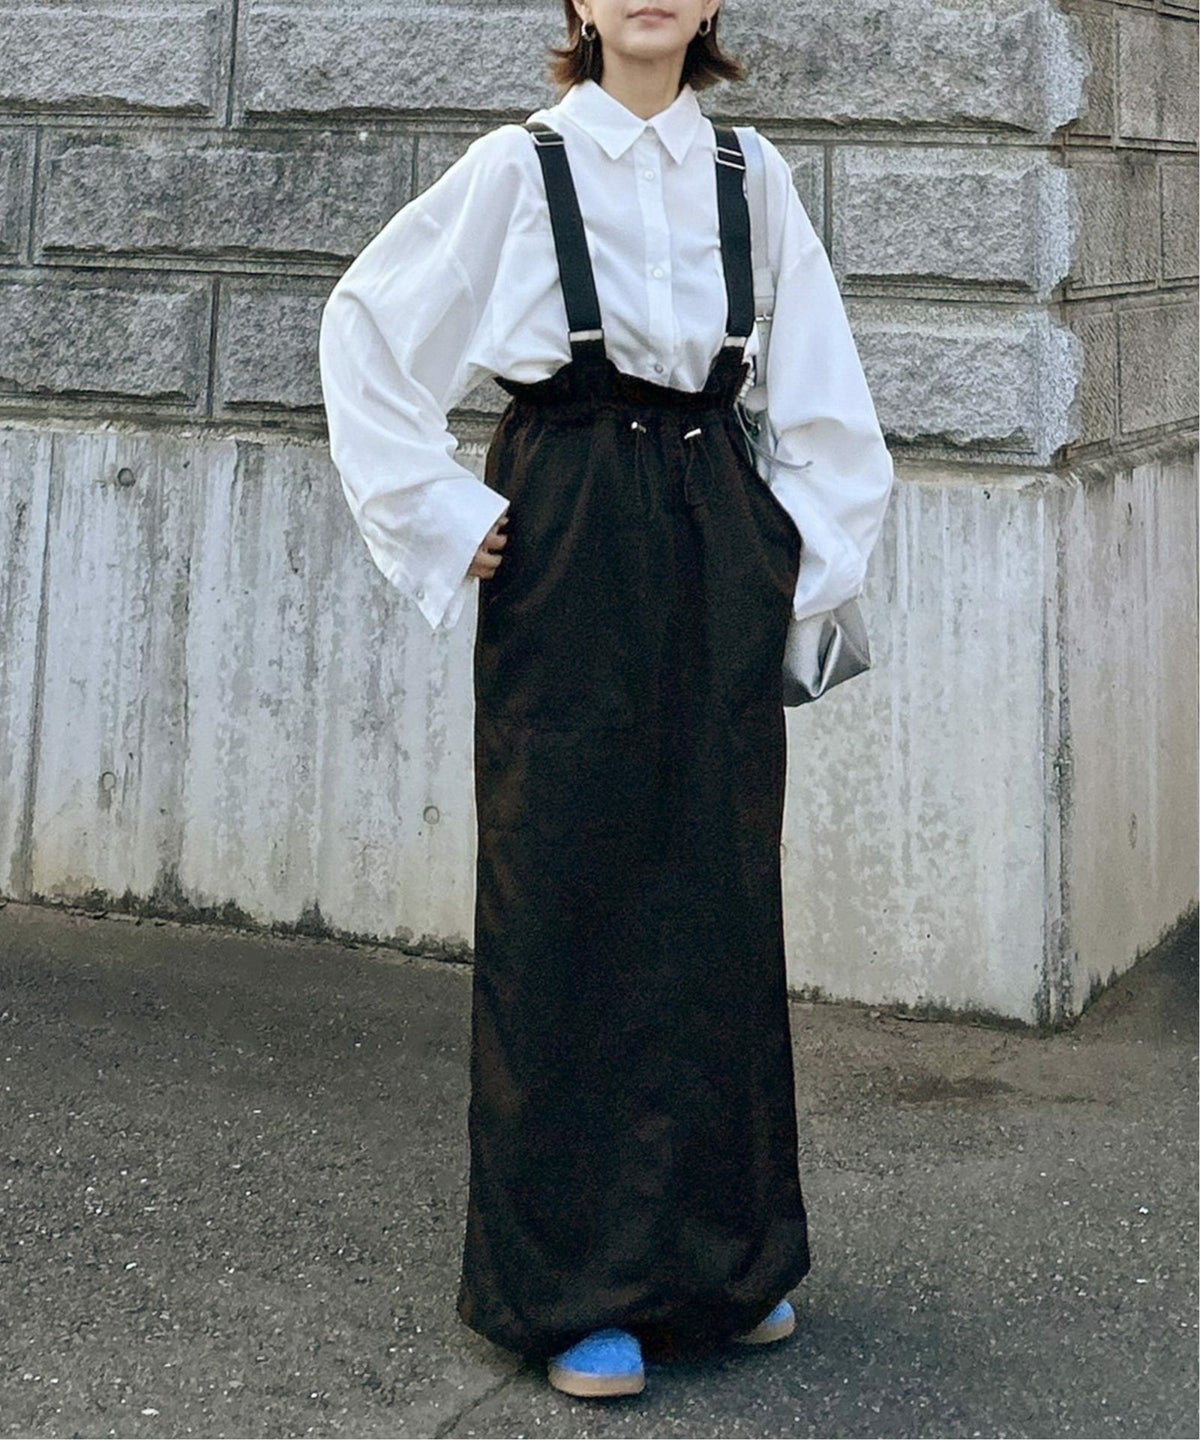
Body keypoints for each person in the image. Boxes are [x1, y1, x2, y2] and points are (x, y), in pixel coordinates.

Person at [319, 0, 894, 1401]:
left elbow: (824, 397)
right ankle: (575, 1288)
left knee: (716, 887)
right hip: (569, 525)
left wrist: (791, 565)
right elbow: (367, 330)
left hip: (711, 519)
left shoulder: (753, 176)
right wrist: (445, 512)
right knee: (566, 889)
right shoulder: (519, 168)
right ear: (576, 3)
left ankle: (725, 1263)